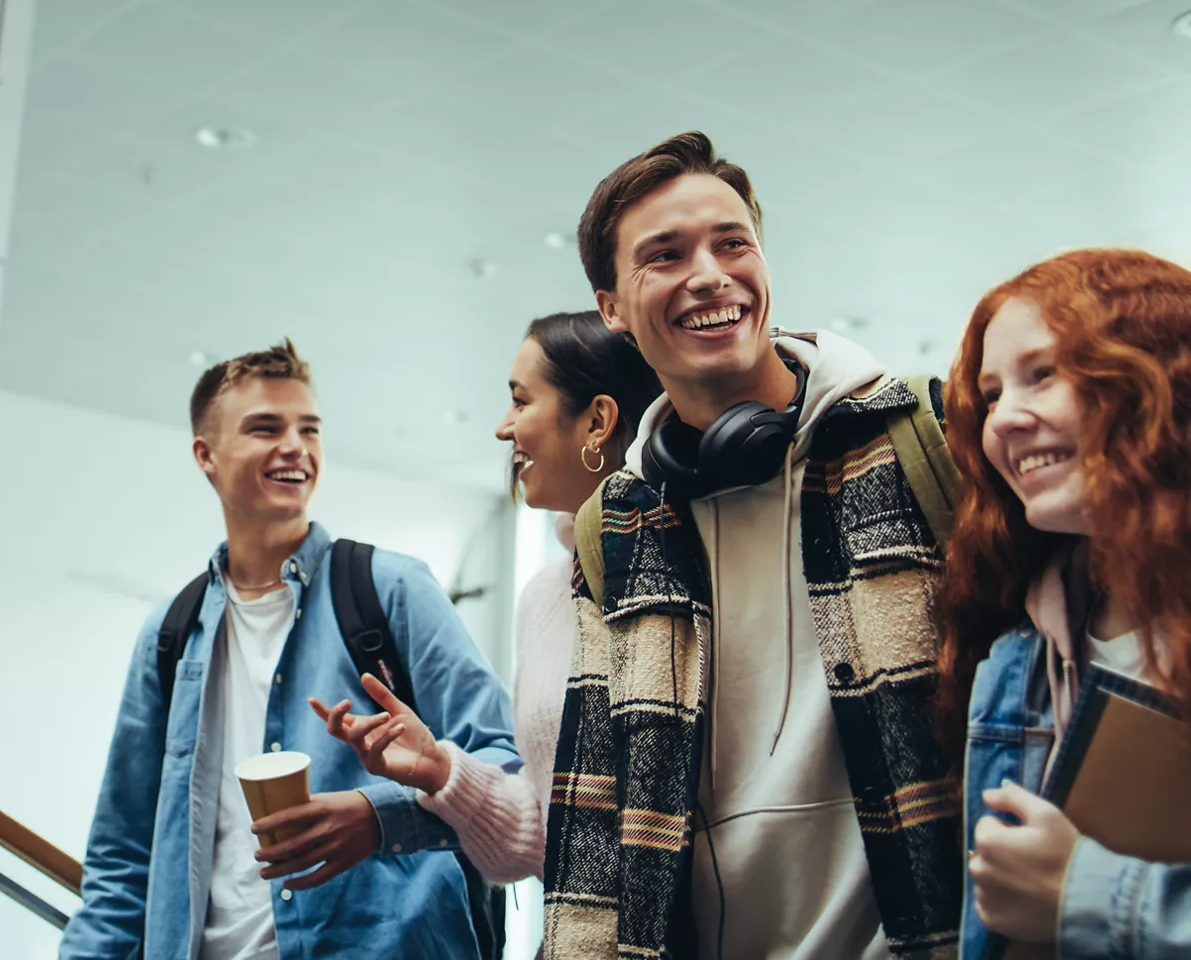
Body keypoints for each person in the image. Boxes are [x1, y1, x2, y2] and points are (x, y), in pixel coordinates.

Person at [541, 132, 963, 959]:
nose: (710, 273)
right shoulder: (614, 527)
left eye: (732, 243)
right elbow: (595, 815)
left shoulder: (926, 437)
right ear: (612, 308)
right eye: (664, 255)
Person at [58, 340, 517, 960]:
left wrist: (377, 814)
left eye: (310, 429)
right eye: (265, 428)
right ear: (206, 455)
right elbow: (122, 854)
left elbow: (503, 766)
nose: (296, 446)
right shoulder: (172, 633)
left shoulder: (392, 590)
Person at [311, 311, 662, 886]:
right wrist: (439, 770)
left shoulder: (694, 575)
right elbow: (550, 840)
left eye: (522, 402)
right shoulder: (546, 597)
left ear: (597, 420)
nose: (504, 428)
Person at [936, 248, 1191, 959]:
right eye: (990, 395)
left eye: (1043, 375)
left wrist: (1086, 893)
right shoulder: (1015, 661)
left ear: (1158, 379)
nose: (1005, 421)